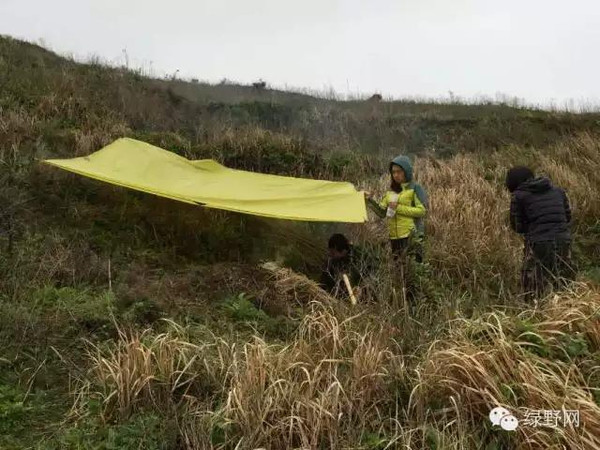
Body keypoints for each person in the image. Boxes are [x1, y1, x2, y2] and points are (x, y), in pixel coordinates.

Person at [505, 166, 576, 299]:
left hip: (538, 242)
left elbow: (517, 226)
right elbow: (567, 217)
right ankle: (570, 313)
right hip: (564, 239)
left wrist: (533, 228)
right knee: (564, 281)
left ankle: (535, 313)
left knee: (532, 285)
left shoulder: (519, 196)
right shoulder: (558, 191)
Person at [364, 155, 428, 262]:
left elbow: (422, 211)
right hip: (394, 238)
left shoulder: (415, 188)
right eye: (393, 172)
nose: (396, 175)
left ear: (406, 171)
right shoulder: (390, 192)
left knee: (413, 271)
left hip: (411, 236)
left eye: (399, 171)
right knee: (399, 271)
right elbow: (381, 213)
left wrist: (398, 208)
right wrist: (369, 200)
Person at [319, 233, 368, 300]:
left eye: (333, 252)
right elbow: (324, 280)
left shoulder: (358, 257)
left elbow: (363, 276)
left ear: (341, 250)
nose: (330, 254)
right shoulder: (332, 261)